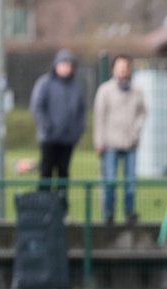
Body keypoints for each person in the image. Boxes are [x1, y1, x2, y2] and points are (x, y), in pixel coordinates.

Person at [30, 49, 87, 216]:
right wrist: (47, 127)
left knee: (63, 173)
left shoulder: (76, 87)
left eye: (69, 65)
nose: (66, 68)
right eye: (63, 64)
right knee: (46, 171)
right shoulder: (45, 83)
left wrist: (76, 131)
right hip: (49, 138)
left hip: (68, 139)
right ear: (56, 66)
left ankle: (62, 208)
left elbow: (81, 112)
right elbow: (37, 107)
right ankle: (43, 207)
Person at [93, 54, 147, 226]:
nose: (123, 70)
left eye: (125, 66)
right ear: (114, 69)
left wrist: (136, 128)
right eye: (119, 66)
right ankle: (108, 213)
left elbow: (143, 113)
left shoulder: (136, 91)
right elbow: (99, 117)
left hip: (130, 143)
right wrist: (99, 141)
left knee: (130, 181)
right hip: (110, 143)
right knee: (109, 180)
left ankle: (129, 212)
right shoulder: (105, 90)